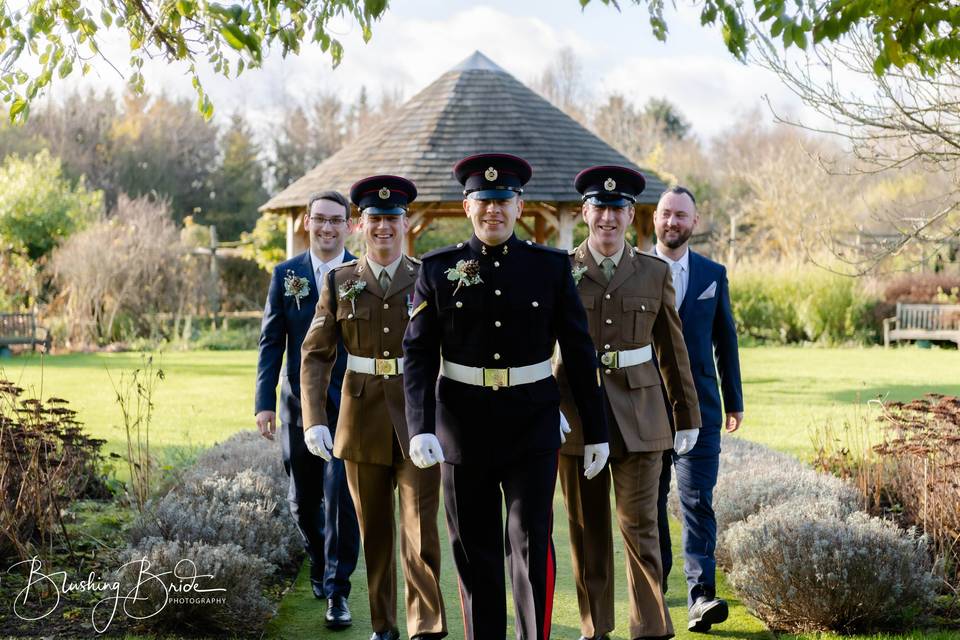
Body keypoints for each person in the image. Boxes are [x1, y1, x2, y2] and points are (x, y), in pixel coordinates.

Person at [402, 153, 609, 640]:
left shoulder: (549, 268)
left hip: (531, 424)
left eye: (503, 201)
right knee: (474, 551)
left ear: (519, 206)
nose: (493, 210)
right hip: (461, 426)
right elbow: (417, 353)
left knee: (531, 543)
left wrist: (596, 431)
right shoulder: (437, 269)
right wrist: (419, 426)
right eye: (483, 201)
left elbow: (580, 352)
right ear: (467, 206)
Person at [557, 166, 702, 640]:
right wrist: (548, 409)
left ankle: (650, 630)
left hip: (643, 416)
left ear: (630, 215)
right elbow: (539, 347)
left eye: (617, 209)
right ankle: (594, 629)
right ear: (584, 213)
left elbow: (672, 349)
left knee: (641, 529)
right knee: (587, 532)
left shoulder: (653, 272)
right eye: (599, 208)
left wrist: (686, 414)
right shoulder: (560, 272)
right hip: (577, 416)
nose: (608, 217)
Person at [300, 175, 447, 640]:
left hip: (418, 418)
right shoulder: (340, 281)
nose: (384, 227)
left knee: (421, 531)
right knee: (375, 533)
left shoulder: (428, 277)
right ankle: (384, 626)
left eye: (393, 218)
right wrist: (313, 420)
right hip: (360, 421)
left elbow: (450, 349)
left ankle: (426, 626)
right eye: (375, 219)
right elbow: (315, 353)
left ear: (406, 224)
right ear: (361, 225)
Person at [254, 190, 360, 629]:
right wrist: (264, 403)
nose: (328, 227)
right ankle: (318, 559)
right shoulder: (286, 275)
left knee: (341, 499)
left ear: (349, 226)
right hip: (297, 404)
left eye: (337, 220)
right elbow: (271, 341)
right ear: (307, 223)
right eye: (320, 219)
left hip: (350, 403)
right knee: (302, 501)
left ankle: (338, 589)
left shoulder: (362, 273)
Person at [653, 185, 744, 633]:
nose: (673, 222)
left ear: (695, 221)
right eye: (667, 214)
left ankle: (700, 598)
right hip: (645, 409)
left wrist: (734, 401)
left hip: (703, 410)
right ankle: (654, 589)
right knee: (649, 504)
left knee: (696, 503)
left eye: (681, 216)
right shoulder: (636, 270)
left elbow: (726, 341)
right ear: (654, 218)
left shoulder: (713, 273)